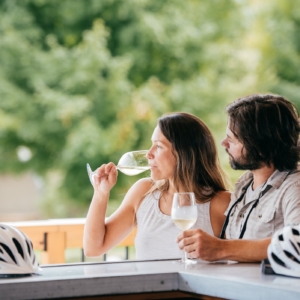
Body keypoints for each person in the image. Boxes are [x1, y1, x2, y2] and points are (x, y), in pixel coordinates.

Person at [84, 112, 231, 260]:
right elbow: (93, 248)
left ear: (183, 153)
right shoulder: (143, 192)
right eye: (152, 144)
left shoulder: (221, 203)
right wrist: (101, 193)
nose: (149, 153)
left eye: (159, 146)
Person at [177, 93, 300, 262]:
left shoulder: (295, 186)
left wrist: (221, 248)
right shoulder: (244, 184)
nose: (223, 143)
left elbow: (297, 244)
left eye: (232, 140)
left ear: (260, 148)